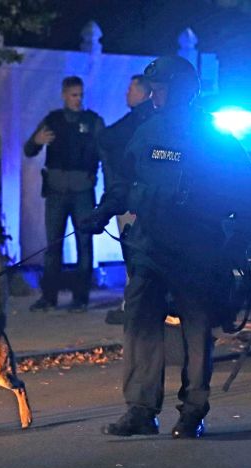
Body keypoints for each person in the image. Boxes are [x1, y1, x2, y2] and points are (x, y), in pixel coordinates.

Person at [80, 56, 251, 438]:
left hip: (195, 252)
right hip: (148, 248)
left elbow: (248, 198)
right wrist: (101, 211)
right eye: (152, 88)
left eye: (160, 88)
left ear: (180, 90)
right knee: (139, 324)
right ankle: (141, 410)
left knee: (196, 331)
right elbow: (125, 182)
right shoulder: (147, 131)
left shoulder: (213, 138)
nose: (154, 95)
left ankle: (192, 410)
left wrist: (232, 248)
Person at [24, 76, 105, 313]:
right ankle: (49, 297)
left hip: (82, 191)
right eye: (73, 95)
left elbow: (105, 151)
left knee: (84, 244)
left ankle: (81, 298)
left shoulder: (93, 121)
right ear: (64, 95)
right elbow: (29, 149)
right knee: (53, 246)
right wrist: (36, 141)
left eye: (81, 95)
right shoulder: (53, 120)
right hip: (57, 191)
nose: (78, 100)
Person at [97, 74, 154, 325]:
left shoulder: (139, 120)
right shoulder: (143, 118)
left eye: (131, 88)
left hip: (133, 198)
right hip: (136, 196)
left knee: (134, 253)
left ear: (144, 92)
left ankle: (134, 305)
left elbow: (108, 139)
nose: (126, 93)